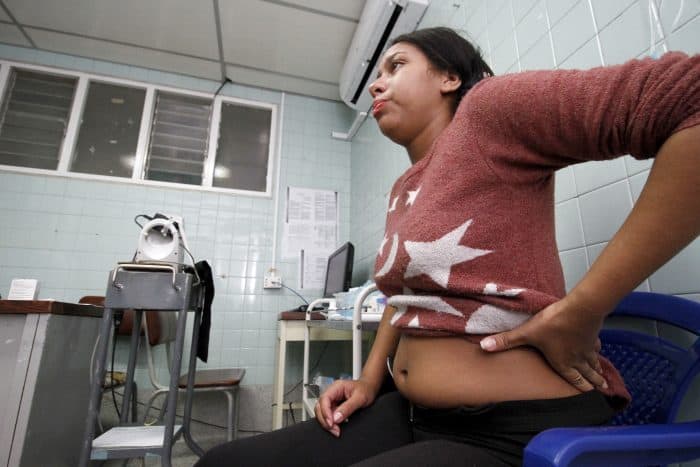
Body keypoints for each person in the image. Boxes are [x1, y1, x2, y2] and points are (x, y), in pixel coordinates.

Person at [196, 27, 700, 466]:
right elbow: (407, 297)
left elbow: (688, 98)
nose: (376, 82)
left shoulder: (488, 111)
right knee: (223, 462)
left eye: (396, 65)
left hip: (514, 431)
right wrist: (371, 380)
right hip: (417, 413)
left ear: (448, 78)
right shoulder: (404, 188)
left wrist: (585, 309)